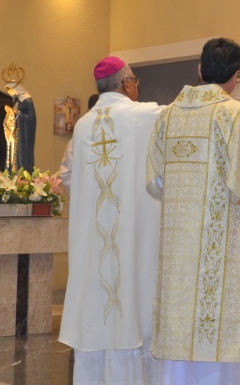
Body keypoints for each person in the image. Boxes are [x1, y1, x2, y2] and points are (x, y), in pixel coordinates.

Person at [147, 37, 240, 384]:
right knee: (220, 330)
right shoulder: (234, 115)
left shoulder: (167, 117)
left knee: (180, 330)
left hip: (178, 253)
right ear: (235, 76)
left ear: (199, 69)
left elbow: (154, 180)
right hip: (217, 249)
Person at [58, 58, 163, 385]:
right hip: (132, 240)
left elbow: (68, 178)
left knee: (96, 309)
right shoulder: (145, 115)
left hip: (93, 245)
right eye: (135, 81)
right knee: (132, 305)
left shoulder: (84, 125)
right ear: (126, 83)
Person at [57, 93, 99, 194]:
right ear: (88, 111)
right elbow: (66, 172)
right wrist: (83, 192)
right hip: (85, 196)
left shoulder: (115, 137)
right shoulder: (78, 139)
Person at [4, 79, 36, 171]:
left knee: (23, 152)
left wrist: (19, 115)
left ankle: (22, 171)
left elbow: (30, 117)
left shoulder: (27, 101)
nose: (11, 94)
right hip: (16, 131)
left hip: (24, 132)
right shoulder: (18, 101)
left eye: (11, 91)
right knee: (14, 153)